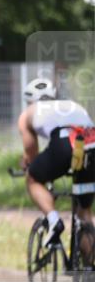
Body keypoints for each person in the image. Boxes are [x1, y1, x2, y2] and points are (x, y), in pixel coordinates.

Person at [18, 77, 95, 259]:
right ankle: (91, 271)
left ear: (30, 100)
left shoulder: (28, 112)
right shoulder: (73, 105)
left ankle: (54, 221)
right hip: (91, 144)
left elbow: (31, 153)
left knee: (33, 179)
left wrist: (28, 165)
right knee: (84, 211)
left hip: (64, 143)